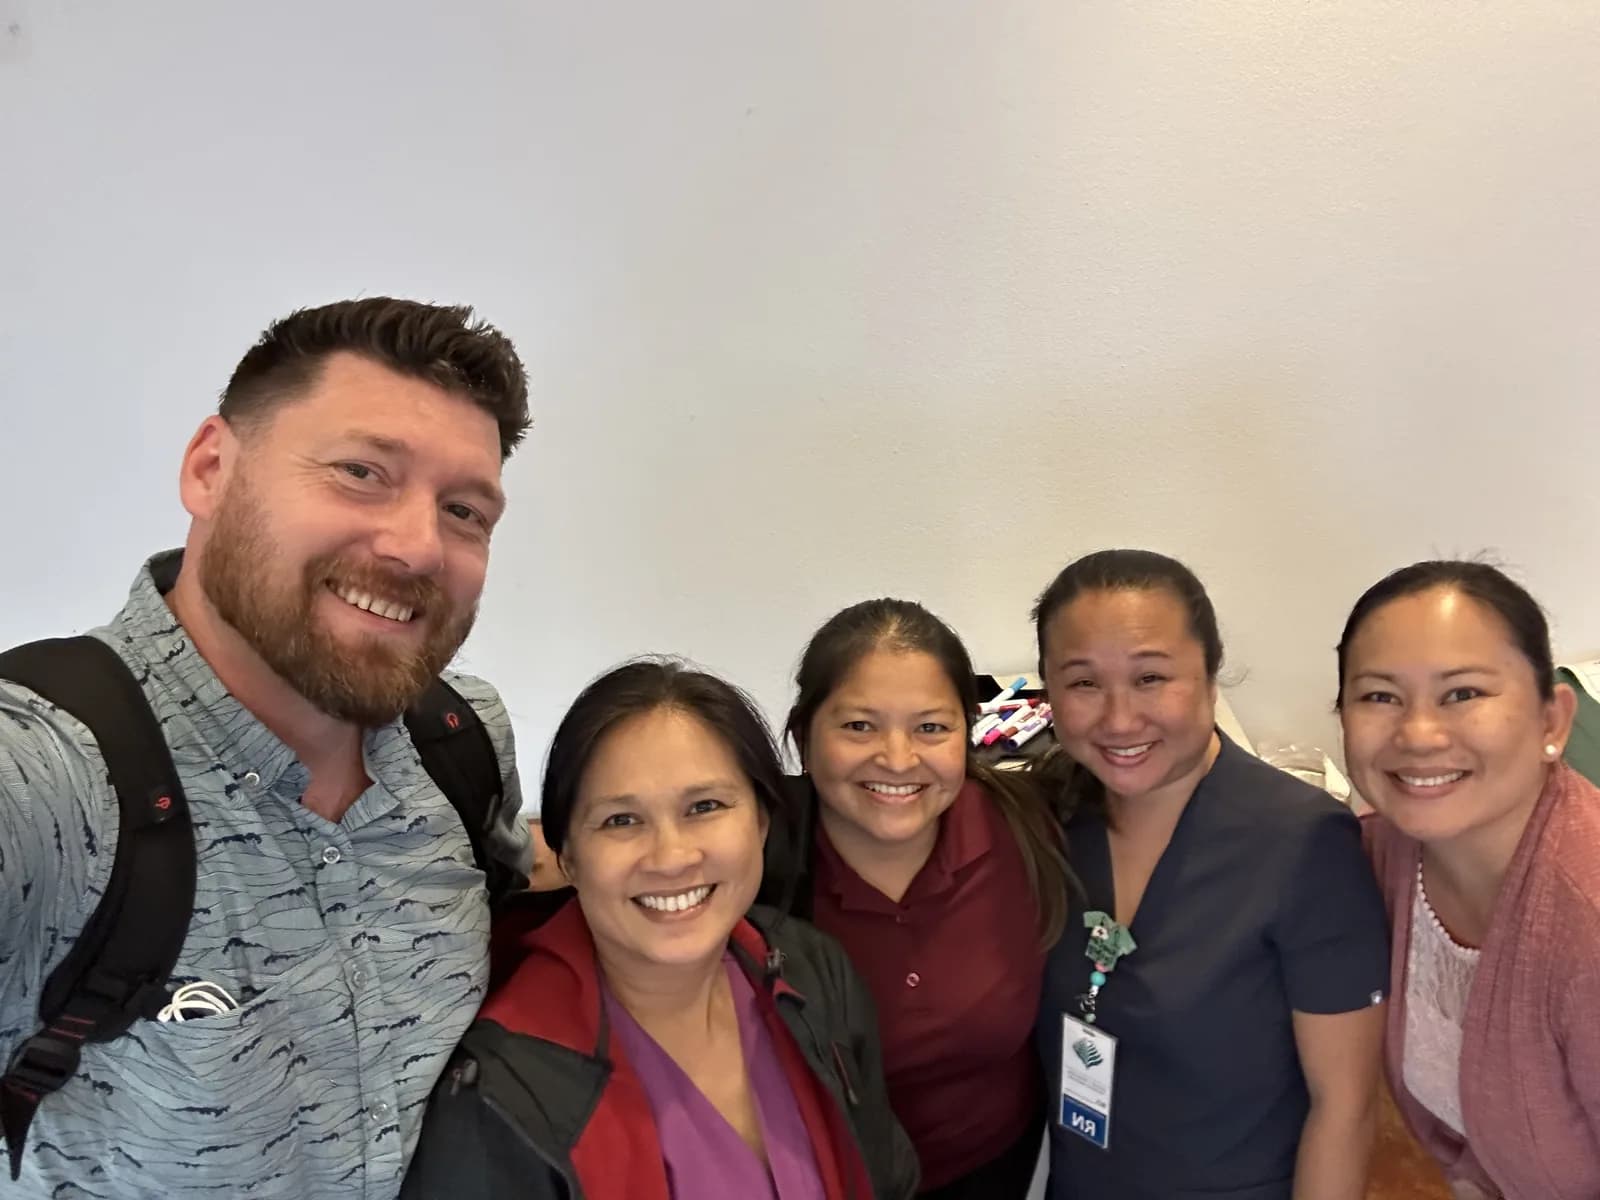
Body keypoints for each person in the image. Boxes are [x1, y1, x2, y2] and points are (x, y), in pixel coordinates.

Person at [0, 298, 534, 1199]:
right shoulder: (49, 779)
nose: (418, 547)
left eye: (464, 510)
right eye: (361, 471)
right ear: (211, 468)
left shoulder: (464, 742)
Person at [401, 658, 919, 1200]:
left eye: (704, 806)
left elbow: (888, 1175)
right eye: (621, 820)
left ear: (762, 823)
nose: (671, 857)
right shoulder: (498, 1096)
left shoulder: (815, 972)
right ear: (569, 856)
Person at [1031, 549, 1389, 1200]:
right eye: (1083, 683)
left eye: (1151, 678)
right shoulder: (1049, 820)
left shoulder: (1301, 843)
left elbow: (1345, 1108)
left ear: (1209, 676)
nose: (1119, 718)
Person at [763, 598, 1072, 1197]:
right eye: (859, 726)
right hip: (830, 1180)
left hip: (995, 1168)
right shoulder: (755, 861)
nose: (898, 759)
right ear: (803, 735)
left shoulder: (1031, 831)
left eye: (931, 727)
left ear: (968, 732)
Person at [1336, 560, 1600, 1200]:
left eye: (1463, 694)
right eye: (1380, 696)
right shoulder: (1379, 852)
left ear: (1553, 721)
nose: (1418, 734)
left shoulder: (1587, 923)